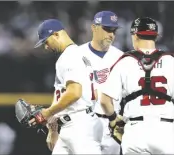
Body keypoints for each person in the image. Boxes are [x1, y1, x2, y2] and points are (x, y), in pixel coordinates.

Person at [100, 17, 174, 154]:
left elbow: (104, 100)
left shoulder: (124, 62)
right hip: (166, 131)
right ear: (156, 36)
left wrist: (114, 120)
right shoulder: (171, 61)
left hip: (135, 131)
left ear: (134, 35)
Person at [30, 19, 102, 154]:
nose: (46, 47)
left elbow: (74, 93)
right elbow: (60, 95)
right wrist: (53, 129)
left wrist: (48, 112)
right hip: (71, 124)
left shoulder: (71, 56)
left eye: (46, 42)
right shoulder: (79, 55)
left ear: (56, 34)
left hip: (80, 125)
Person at [78, 11, 123, 154]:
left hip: (113, 124)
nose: (111, 34)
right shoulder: (77, 54)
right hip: (86, 123)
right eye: (107, 29)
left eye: (113, 31)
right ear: (94, 27)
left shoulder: (120, 57)